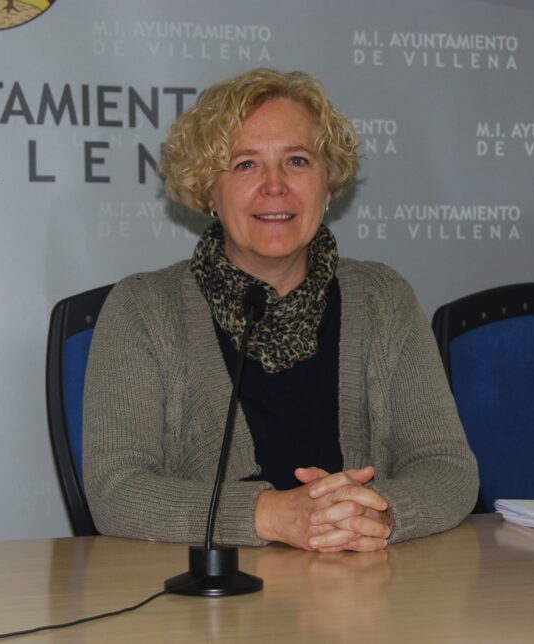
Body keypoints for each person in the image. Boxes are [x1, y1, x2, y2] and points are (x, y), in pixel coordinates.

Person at [83, 68, 477, 553]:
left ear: (328, 186)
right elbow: (115, 491)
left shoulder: (384, 298)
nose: (275, 186)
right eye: (246, 164)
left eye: (296, 161)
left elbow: (448, 466)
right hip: (210, 611)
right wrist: (273, 514)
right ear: (209, 189)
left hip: (365, 598)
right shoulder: (143, 309)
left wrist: (376, 512)